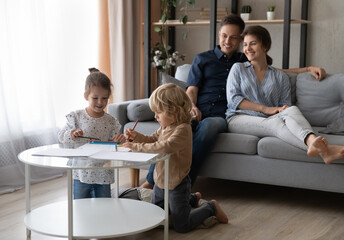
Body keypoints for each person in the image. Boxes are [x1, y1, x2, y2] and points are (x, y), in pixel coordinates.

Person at [141, 14, 327, 189]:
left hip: (221, 116)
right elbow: (191, 90)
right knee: (171, 130)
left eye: (233, 37)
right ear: (219, 35)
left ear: (240, 39)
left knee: (208, 128)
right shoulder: (202, 59)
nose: (227, 41)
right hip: (197, 110)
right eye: (224, 36)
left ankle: (184, 184)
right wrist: (192, 108)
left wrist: (307, 68)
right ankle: (151, 182)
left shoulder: (243, 59)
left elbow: (274, 70)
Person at [226, 25, 344, 164]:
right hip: (239, 118)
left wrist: (308, 69)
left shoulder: (280, 76)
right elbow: (234, 100)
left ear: (265, 46)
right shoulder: (238, 69)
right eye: (245, 44)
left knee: (292, 109)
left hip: (269, 119)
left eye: (253, 43)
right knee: (275, 123)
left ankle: (315, 144)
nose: (247, 48)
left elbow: (285, 108)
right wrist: (266, 109)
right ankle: (325, 150)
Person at [123, 83, 228, 232]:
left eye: (159, 112)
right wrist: (136, 137)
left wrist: (136, 147)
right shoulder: (165, 126)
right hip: (160, 180)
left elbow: (164, 147)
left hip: (177, 183)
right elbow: (153, 139)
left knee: (182, 225)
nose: (155, 116)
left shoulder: (183, 130)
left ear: (173, 111)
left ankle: (211, 208)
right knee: (155, 217)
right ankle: (192, 198)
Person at [58, 68, 126, 199]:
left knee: (104, 205)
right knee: (80, 205)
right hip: (81, 173)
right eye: (95, 98)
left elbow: (116, 144)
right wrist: (71, 133)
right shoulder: (76, 117)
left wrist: (120, 139)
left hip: (104, 173)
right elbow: (61, 136)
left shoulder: (111, 121)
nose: (100, 102)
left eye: (104, 98)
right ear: (86, 96)